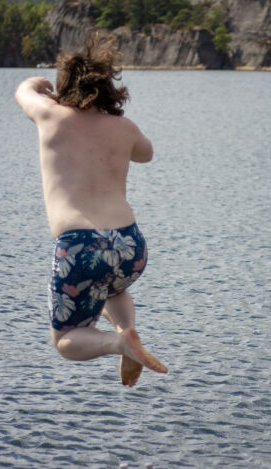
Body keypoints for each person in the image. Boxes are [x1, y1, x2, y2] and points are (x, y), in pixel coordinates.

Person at [15, 32, 167, 387]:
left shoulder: (50, 115)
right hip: (129, 247)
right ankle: (128, 331)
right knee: (112, 286)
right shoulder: (124, 129)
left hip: (80, 246)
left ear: (64, 88)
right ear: (109, 89)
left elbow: (22, 93)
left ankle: (119, 343)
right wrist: (118, 127)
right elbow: (147, 153)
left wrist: (36, 84)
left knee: (66, 340)